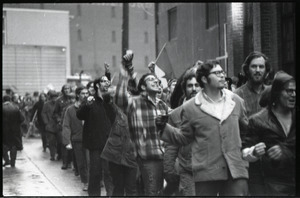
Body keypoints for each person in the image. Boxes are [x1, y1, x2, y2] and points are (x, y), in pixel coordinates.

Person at [158, 60, 249, 196]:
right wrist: (163, 128)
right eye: (217, 73)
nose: (222, 76)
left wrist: (248, 151)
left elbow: (247, 132)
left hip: (234, 170)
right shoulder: (190, 108)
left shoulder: (236, 101)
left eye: (222, 72)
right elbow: (184, 137)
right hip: (207, 172)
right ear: (205, 79)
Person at [114, 51, 170, 196]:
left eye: (157, 81)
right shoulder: (135, 102)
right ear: (144, 88)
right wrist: (125, 70)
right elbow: (120, 98)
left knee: (170, 189)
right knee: (152, 192)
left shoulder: (162, 104)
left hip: (167, 156)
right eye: (152, 80)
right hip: (148, 159)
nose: (156, 82)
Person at [242, 71, 296, 196]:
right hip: (271, 186)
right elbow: (244, 152)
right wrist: (254, 151)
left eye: (295, 91)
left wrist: (285, 150)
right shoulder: (258, 121)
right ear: (277, 93)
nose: (293, 95)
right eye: (289, 91)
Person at [234, 51, 272, 195]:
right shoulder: (237, 96)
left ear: (266, 70)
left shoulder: (273, 92)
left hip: (271, 157)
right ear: (247, 69)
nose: (257, 70)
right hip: (246, 159)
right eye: (254, 66)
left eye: (261, 67)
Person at [163, 66, 201, 196]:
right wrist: (169, 169)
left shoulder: (212, 110)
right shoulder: (175, 115)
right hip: (187, 169)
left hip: (210, 168)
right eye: (190, 86)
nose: (194, 89)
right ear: (184, 89)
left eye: (197, 85)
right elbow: (171, 145)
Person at [76, 74, 115, 196]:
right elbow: (79, 115)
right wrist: (86, 105)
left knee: (110, 173)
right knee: (95, 173)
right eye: (103, 81)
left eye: (108, 81)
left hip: (110, 143)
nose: (106, 83)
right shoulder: (91, 100)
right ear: (97, 85)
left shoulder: (110, 101)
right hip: (95, 144)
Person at [62, 86, 89, 191]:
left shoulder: (91, 107)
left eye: (87, 93)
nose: (85, 95)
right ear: (78, 95)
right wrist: (67, 141)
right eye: (83, 93)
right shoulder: (70, 110)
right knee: (81, 163)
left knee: (90, 162)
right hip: (77, 139)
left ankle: (94, 181)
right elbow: (66, 125)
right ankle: (85, 182)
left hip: (90, 139)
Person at [3, 95, 25, 167]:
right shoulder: (16, 108)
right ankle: (13, 162)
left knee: (4, 145)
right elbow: (22, 119)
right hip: (15, 131)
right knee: (13, 146)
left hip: (4, 131)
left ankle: (6, 160)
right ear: (10, 100)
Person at [53, 84, 72, 168]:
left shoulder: (73, 99)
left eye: (68, 89)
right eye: (65, 89)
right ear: (63, 90)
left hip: (73, 123)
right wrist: (58, 120)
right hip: (63, 123)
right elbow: (55, 113)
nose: (67, 90)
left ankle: (71, 161)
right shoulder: (59, 100)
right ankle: (65, 162)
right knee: (64, 143)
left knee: (73, 143)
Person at [41, 90, 59, 161]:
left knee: (60, 141)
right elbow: (43, 113)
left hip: (58, 125)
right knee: (51, 141)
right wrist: (46, 122)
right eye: (53, 97)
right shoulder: (46, 104)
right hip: (50, 125)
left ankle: (59, 154)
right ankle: (52, 155)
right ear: (50, 98)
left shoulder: (59, 103)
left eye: (56, 97)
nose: (54, 99)